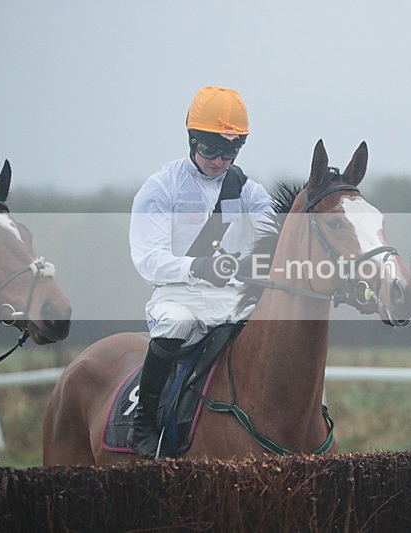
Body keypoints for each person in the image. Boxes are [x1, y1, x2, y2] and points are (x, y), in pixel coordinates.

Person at [128, 86, 273, 458]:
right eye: (211, 149)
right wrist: (200, 267)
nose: (219, 161)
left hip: (229, 296)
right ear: (192, 139)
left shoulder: (246, 190)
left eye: (230, 151)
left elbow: (276, 229)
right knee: (176, 323)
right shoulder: (161, 188)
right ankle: (144, 424)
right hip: (177, 294)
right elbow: (149, 261)